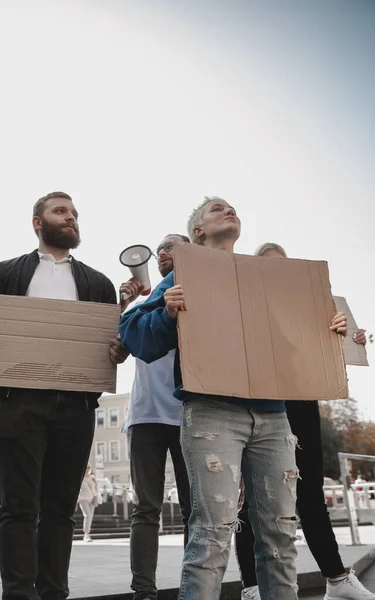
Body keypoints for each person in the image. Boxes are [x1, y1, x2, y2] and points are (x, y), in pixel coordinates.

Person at [118, 197, 347, 600]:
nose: (229, 211)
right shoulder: (184, 275)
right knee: (212, 531)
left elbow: (300, 335)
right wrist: (165, 315)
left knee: (279, 531)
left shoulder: (260, 279)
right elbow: (134, 333)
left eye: (232, 208)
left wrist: (329, 327)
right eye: (216, 209)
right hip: (212, 412)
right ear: (199, 232)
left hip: (274, 415)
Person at [0, 192, 128, 600]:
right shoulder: (6, 274)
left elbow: (112, 346)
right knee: (18, 507)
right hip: (18, 403)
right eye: (61, 211)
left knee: (60, 509)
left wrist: (118, 350)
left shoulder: (98, 283)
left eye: (74, 213)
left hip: (76, 406)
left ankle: (55, 593)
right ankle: (19, 595)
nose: (71, 218)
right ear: (38, 223)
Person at [235, 242, 374, 600]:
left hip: (300, 402)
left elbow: (336, 356)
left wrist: (348, 339)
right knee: (253, 496)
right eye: (270, 266)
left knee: (310, 494)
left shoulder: (311, 311)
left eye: (286, 265)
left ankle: (337, 578)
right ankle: (251, 585)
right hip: (259, 403)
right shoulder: (244, 305)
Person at [120, 234, 191, 600]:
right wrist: (124, 305)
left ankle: (192, 588)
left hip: (188, 415)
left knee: (194, 509)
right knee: (145, 508)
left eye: (172, 246)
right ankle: (143, 592)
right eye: (160, 247)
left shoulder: (198, 291)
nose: (163, 251)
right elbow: (116, 350)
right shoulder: (140, 301)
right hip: (146, 416)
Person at [78, 464, 102, 543]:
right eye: (86, 468)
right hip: (83, 499)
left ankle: (87, 533)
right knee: (87, 515)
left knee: (90, 516)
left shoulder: (92, 477)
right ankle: (86, 534)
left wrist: (96, 495)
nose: (87, 469)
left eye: (88, 468)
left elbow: (96, 488)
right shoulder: (80, 478)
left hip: (92, 498)